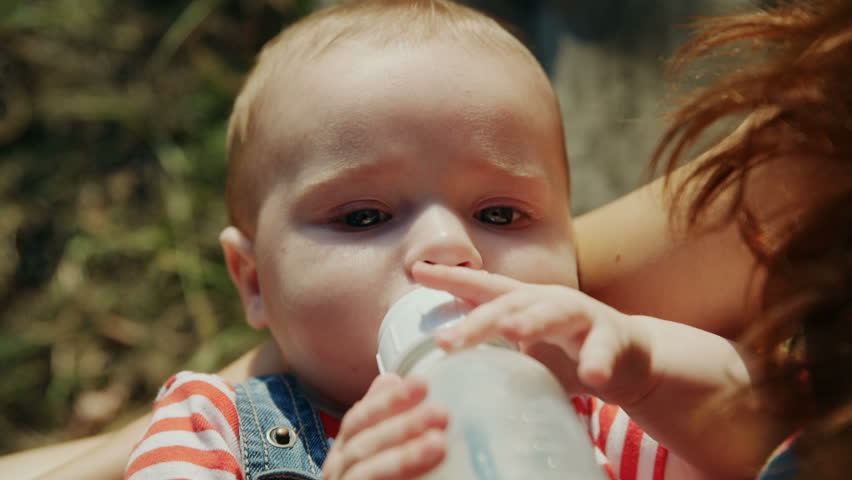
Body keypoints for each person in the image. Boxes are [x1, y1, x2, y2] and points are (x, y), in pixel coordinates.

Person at [121, 1, 745, 479]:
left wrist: (651, 370)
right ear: (254, 281)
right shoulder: (209, 427)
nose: (448, 247)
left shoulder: (605, 419)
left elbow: (774, 450)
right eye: (363, 217)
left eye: (500, 213)